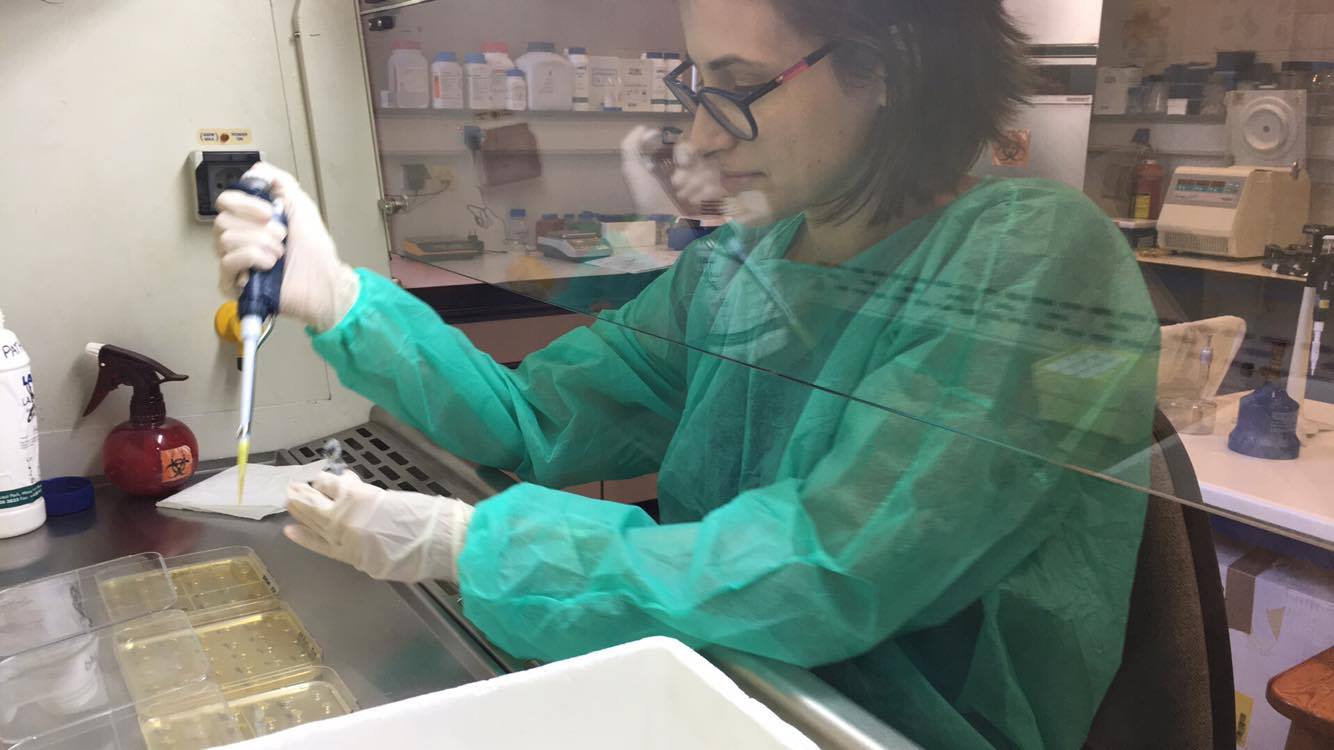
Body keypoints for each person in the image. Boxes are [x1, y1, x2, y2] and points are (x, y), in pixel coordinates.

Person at [213, 1, 1161, 747]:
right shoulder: (746, 264)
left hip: (876, 729)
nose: (702, 141)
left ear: (890, 68)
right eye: (697, 85)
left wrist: (475, 547)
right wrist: (346, 303)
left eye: (740, 86)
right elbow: (538, 418)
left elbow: (829, 565)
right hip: (724, 679)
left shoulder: (1027, 263)